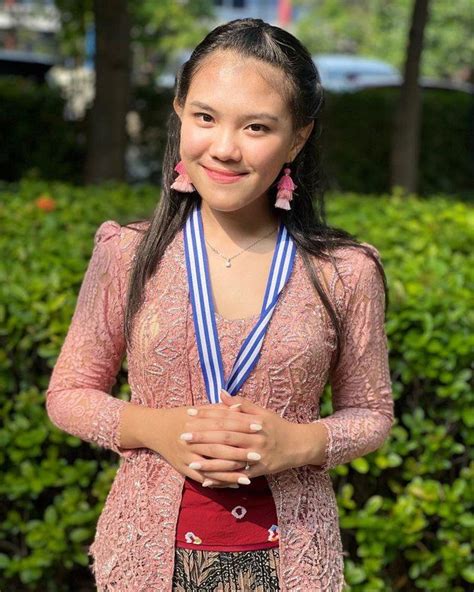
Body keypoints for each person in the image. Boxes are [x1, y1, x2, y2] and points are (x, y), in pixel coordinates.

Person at [45, 18, 394, 592]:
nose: (225, 149)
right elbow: (68, 394)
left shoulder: (344, 271)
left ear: (298, 138)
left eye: (257, 127)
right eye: (205, 117)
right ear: (179, 111)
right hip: (143, 564)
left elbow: (372, 413)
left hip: (294, 567)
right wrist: (158, 428)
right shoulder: (127, 254)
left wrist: (298, 443)